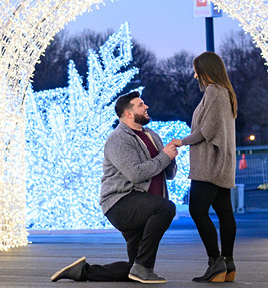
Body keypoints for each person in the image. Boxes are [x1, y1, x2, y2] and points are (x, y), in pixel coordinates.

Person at [51, 91, 178, 284]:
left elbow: (168, 174)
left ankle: (82, 272)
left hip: (144, 205)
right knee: (166, 208)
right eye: (140, 105)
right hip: (121, 202)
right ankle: (142, 267)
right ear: (128, 113)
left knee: (132, 270)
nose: (146, 107)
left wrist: (170, 157)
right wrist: (164, 157)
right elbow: (135, 173)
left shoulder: (152, 135)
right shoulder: (118, 138)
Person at [170, 51, 238, 283]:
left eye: (197, 69)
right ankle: (228, 263)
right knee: (224, 213)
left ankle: (215, 262)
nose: (195, 74)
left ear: (207, 70)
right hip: (222, 163)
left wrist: (181, 140)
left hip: (209, 164)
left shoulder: (213, 92)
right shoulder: (226, 93)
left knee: (197, 211)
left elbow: (205, 131)